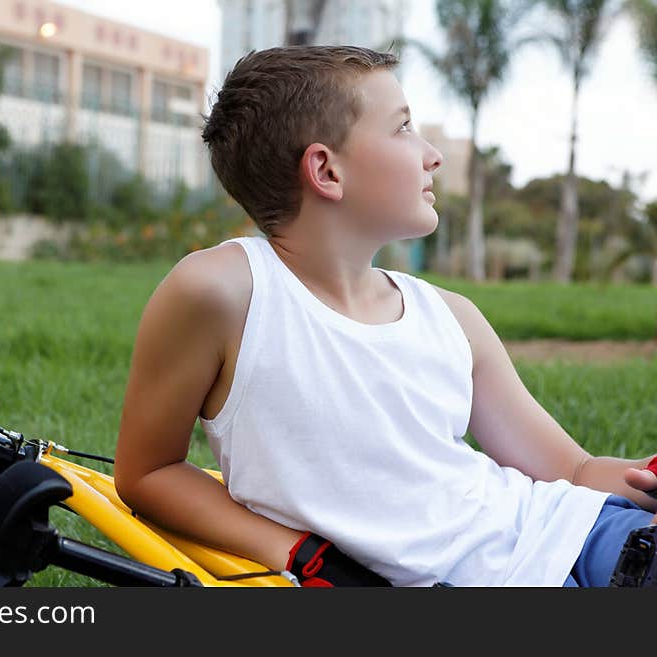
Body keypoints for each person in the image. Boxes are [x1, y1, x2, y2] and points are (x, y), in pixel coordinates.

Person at [112, 45, 657, 587]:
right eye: (403, 129)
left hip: (582, 529)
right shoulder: (222, 292)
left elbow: (573, 471)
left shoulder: (452, 317)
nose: (432, 154)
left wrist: (647, 477)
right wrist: (300, 554)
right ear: (326, 170)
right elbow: (149, 472)